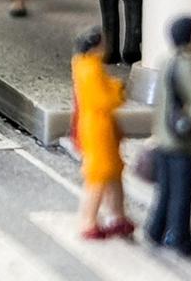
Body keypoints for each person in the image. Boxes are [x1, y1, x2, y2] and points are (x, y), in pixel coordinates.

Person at [145, 16, 191, 256]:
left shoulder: (165, 61)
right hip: (182, 140)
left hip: (164, 136)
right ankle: (179, 236)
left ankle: (156, 229)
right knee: (182, 192)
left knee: (165, 189)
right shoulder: (189, 66)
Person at [71, 26, 134, 239]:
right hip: (97, 128)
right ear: (95, 46)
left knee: (113, 172)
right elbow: (102, 100)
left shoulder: (89, 66)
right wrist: (118, 91)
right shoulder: (90, 70)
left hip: (103, 126)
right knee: (98, 175)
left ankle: (117, 215)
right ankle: (88, 220)